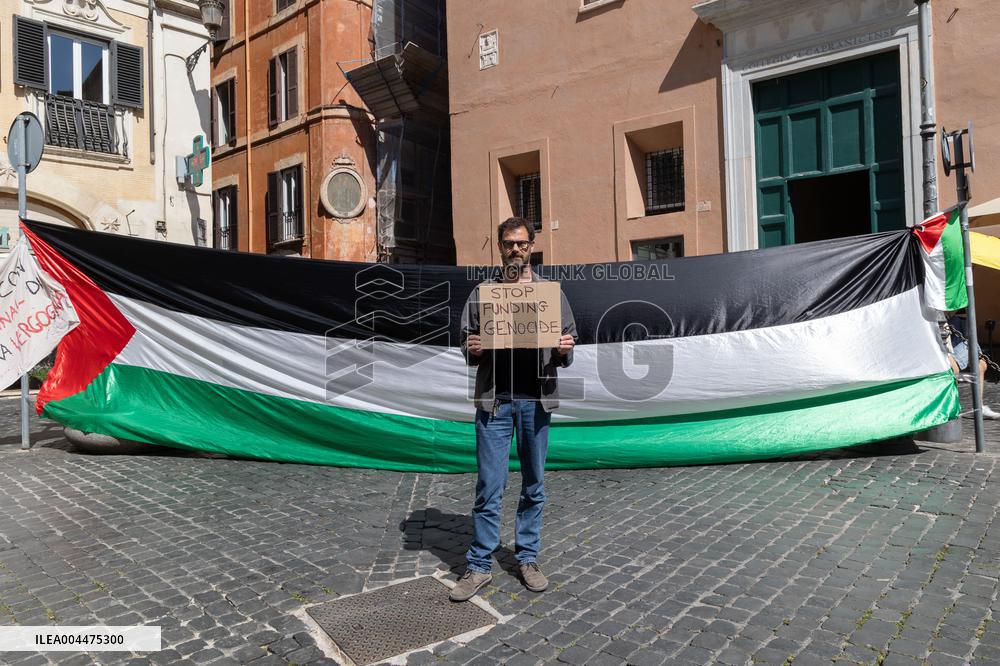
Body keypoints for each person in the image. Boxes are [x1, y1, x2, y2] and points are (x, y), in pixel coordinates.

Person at [450, 217, 578, 602]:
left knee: (534, 485)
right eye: (509, 244)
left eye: (522, 244)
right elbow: (464, 339)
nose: (516, 250)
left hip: (535, 403)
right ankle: (479, 565)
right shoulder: (483, 292)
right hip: (495, 403)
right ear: (501, 248)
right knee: (490, 486)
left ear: (532, 246)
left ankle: (527, 558)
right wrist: (470, 348)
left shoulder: (550, 294)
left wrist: (564, 348)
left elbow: (569, 341)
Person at [948, 313, 1000, 420]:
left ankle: (978, 408)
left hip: (960, 319)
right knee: (953, 367)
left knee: (981, 365)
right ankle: (950, 407)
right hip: (941, 322)